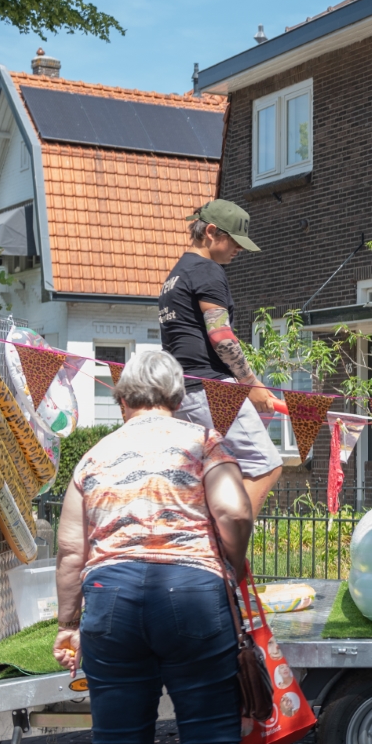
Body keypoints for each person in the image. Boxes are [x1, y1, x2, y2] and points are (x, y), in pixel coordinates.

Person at [51, 351, 255, 744]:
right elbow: (234, 513)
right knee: (210, 742)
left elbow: (70, 551)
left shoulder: (93, 456)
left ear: (122, 399)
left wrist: (68, 623)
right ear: (177, 397)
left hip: (111, 599)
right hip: (192, 594)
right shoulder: (202, 442)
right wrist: (232, 565)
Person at [158, 199, 285, 515]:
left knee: (207, 479)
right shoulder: (207, 270)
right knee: (265, 466)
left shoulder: (176, 275)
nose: (239, 249)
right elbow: (220, 335)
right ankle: (230, 542)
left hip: (182, 394)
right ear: (211, 232)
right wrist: (251, 383)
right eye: (234, 241)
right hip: (212, 391)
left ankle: (203, 537)